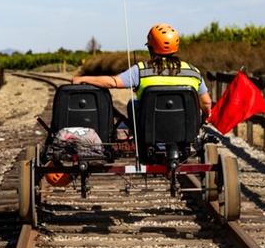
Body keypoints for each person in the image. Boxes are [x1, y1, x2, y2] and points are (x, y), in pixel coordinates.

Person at [72, 24, 212, 160]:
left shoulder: (141, 70)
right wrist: (205, 116)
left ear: (151, 47)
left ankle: (142, 142)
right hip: (184, 126)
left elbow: (113, 82)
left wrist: (84, 78)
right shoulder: (193, 72)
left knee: (133, 103)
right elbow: (206, 102)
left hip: (151, 125)